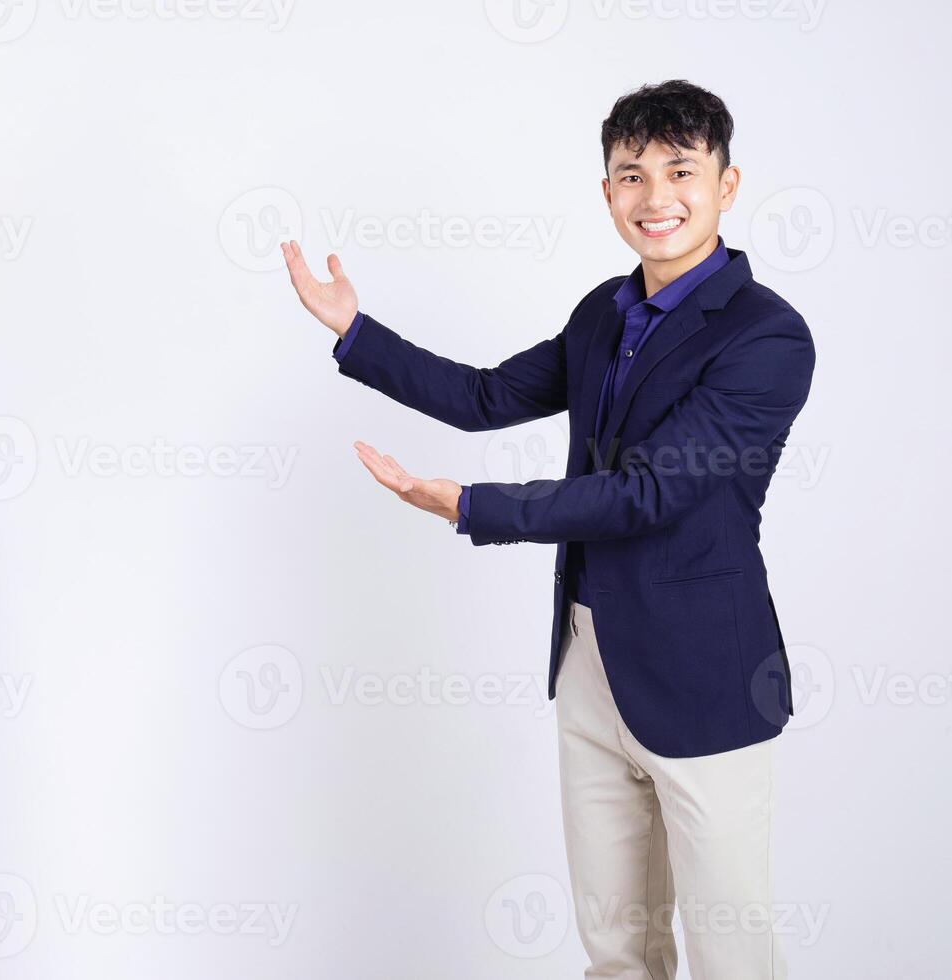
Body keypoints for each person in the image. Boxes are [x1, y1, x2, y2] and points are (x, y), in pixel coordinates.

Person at [281, 80, 813, 977]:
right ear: (606, 191)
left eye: (681, 170)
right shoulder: (603, 311)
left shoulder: (766, 338)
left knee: (731, 955)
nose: (656, 198)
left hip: (704, 676)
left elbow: (646, 494)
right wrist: (354, 331)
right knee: (614, 949)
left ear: (726, 185)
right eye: (629, 175)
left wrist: (470, 505)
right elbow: (487, 395)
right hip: (589, 660)